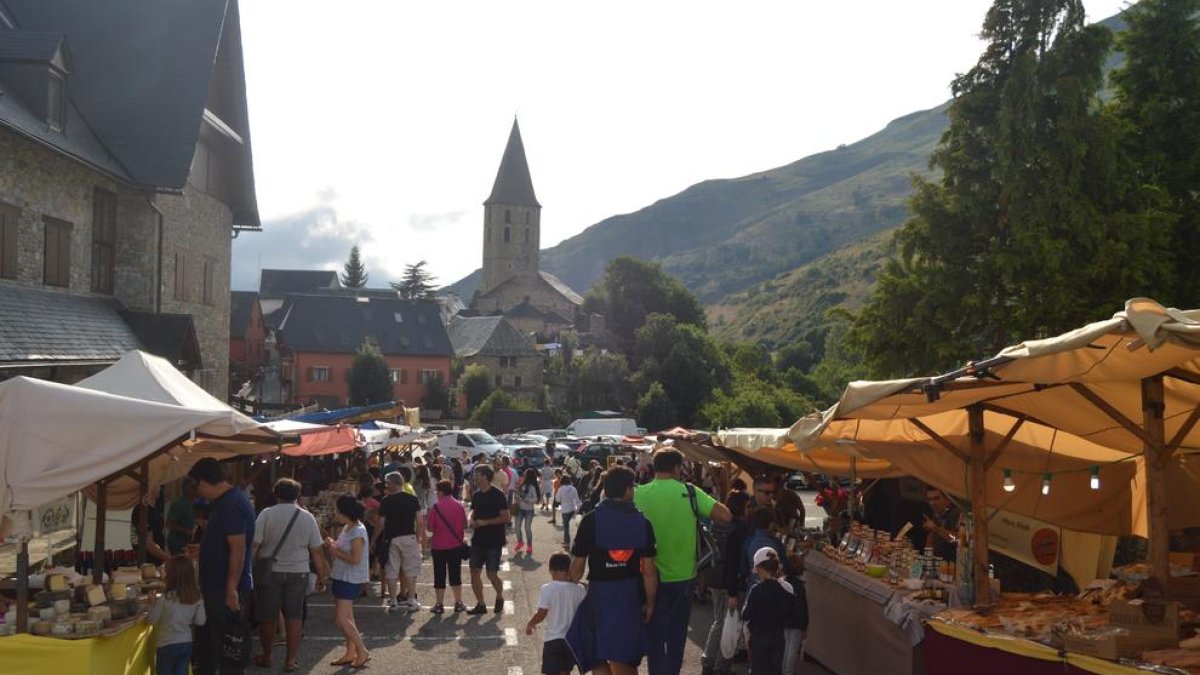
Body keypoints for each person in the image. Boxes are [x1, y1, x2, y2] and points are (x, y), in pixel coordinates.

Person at [634, 449, 732, 675]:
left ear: (654, 468)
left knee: (654, 633)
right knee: (676, 635)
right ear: (678, 468)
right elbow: (725, 515)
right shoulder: (689, 492)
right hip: (683, 576)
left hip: (648, 576)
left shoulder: (639, 494)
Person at [568, 467, 659, 675]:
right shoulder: (643, 523)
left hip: (599, 594)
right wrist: (651, 602)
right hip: (629, 595)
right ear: (628, 490)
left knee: (594, 651)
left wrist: (572, 583)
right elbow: (649, 571)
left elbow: (578, 566)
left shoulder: (591, 520)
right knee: (623, 655)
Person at [250, 479, 328, 672]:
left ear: (276, 494)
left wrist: (249, 569)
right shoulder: (307, 517)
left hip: (270, 572)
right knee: (295, 617)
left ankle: (267, 655)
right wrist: (322, 575)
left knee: (268, 617)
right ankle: (290, 660)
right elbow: (317, 550)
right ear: (297, 495)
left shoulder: (266, 514)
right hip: (298, 572)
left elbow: (255, 545)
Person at [187, 458, 255, 675]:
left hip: (224, 589)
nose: (199, 494)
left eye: (197, 487)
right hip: (220, 587)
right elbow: (230, 545)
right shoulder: (230, 501)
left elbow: (238, 548)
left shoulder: (231, 505)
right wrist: (205, 548)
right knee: (217, 647)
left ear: (203, 483)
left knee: (228, 649)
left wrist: (231, 588)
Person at [703, 490, 752, 675]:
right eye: (748, 506)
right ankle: (721, 666)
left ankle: (708, 659)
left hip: (714, 577)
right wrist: (733, 591)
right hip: (729, 582)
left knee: (720, 621)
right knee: (730, 625)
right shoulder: (738, 530)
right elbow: (733, 562)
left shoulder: (717, 523)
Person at [324, 494, 370, 669]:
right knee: (347, 617)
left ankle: (362, 650)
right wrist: (334, 545)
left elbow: (355, 558)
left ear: (344, 512)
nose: (336, 512)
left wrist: (335, 551)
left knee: (341, 619)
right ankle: (351, 651)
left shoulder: (358, 530)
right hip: (341, 575)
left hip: (350, 578)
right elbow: (346, 552)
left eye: (337, 509)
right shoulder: (348, 527)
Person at [741, 547, 800, 675]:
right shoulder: (785, 590)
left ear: (761, 569)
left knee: (758, 670)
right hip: (778, 638)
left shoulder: (756, 590)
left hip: (759, 639)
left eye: (757, 570)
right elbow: (793, 615)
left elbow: (746, 615)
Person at [525, 552, 586, 675]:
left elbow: (542, 613)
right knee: (565, 671)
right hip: (571, 639)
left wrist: (531, 623)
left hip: (553, 639)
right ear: (569, 570)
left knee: (552, 672)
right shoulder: (579, 589)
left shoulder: (547, 589)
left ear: (551, 570)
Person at [373, 472, 425, 613]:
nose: (386, 485)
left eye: (387, 482)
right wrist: (418, 538)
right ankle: (411, 600)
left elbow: (381, 523)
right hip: (409, 537)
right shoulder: (412, 499)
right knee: (411, 569)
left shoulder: (386, 500)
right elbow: (420, 521)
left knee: (392, 569)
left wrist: (373, 539)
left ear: (394, 484)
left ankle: (393, 601)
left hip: (391, 538)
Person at [148, 555, 206, 675]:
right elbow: (201, 621)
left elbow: (152, 620)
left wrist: (151, 604)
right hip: (186, 642)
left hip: (166, 644)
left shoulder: (164, 599)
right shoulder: (196, 598)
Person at [466, 465, 510, 615]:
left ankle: (499, 596)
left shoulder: (497, 495)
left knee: (492, 574)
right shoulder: (477, 495)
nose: (474, 477)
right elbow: (474, 511)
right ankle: (481, 604)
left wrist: (485, 522)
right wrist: (470, 518)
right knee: (474, 572)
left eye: (476, 474)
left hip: (494, 541)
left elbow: (506, 517)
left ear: (484, 476)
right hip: (478, 540)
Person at [426, 479, 468, 613]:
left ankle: (439, 604)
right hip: (455, 545)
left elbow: (430, 528)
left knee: (439, 575)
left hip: (439, 546)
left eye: (437, 491)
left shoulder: (436, 507)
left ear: (441, 492)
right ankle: (458, 602)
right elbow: (465, 525)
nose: (436, 493)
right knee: (455, 574)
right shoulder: (459, 505)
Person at [781, 554, 810, 675]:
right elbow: (802, 608)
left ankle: (782, 670)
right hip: (796, 623)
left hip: (783, 621)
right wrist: (804, 625)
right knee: (792, 650)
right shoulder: (800, 587)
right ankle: (788, 672)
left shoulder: (782, 583)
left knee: (784, 648)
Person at [924, 486, 961, 562]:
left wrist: (936, 529)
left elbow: (957, 540)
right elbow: (930, 542)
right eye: (929, 499)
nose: (932, 503)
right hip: (936, 564)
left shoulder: (956, 514)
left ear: (948, 500)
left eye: (936, 498)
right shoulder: (937, 515)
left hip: (951, 565)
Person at [166, 479, 199, 555]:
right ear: (186, 488)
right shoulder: (179, 504)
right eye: (193, 487)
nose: (196, 488)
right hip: (177, 542)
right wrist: (185, 530)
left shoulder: (193, 503)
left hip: (189, 541)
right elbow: (168, 524)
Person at [515, 468, 541, 555]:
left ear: (528, 476)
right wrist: (517, 497)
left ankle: (529, 546)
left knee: (527, 528)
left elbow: (536, 499)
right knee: (517, 527)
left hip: (529, 510)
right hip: (520, 509)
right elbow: (518, 495)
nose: (524, 474)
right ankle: (520, 542)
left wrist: (528, 500)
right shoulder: (522, 484)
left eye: (525, 473)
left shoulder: (532, 487)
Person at [555, 474, 582, 548]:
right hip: (572, 508)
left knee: (566, 526)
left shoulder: (561, 489)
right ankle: (572, 540)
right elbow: (577, 499)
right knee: (571, 525)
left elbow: (557, 499)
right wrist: (579, 508)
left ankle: (567, 542)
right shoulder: (573, 488)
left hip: (564, 509)